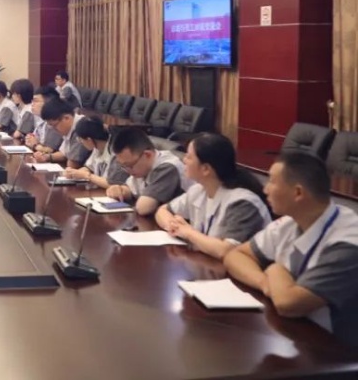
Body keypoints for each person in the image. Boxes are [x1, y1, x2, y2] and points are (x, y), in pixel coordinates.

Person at [224, 153, 358, 346]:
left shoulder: (348, 244)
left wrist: (275, 269)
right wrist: (265, 283)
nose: (265, 189)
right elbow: (235, 256)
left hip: (338, 352)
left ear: (298, 193)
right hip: (297, 337)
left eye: (272, 181)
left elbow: (289, 305)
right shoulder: (289, 222)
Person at [155, 133, 271, 259]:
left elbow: (226, 251)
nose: (184, 160)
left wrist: (188, 233)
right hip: (206, 263)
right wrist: (173, 226)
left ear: (206, 169)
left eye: (189, 157)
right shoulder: (198, 190)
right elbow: (162, 211)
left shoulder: (243, 202)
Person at [106, 126, 191, 216]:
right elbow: (130, 190)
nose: (128, 171)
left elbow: (143, 208)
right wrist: (119, 190)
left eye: (129, 165)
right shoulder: (141, 167)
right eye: (124, 166)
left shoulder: (167, 168)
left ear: (147, 155)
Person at [63, 117, 128, 188]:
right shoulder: (97, 147)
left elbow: (113, 184)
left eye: (80, 139)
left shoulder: (116, 150)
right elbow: (89, 168)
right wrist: (74, 173)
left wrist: (88, 176)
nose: (81, 142)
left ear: (89, 140)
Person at [34, 97, 91, 169]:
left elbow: (73, 164)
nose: (54, 130)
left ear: (66, 118)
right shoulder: (70, 128)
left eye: (54, 125)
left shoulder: (81, 128)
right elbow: (64, 154)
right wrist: (46, 157)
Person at [21, 86, 63, 153]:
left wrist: (35, 145)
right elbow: (33, 140)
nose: (32, 104)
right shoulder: (42, 121)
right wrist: (30, 139)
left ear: (49, 103)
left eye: (36, 101)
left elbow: (49, 150)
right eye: (32, 101)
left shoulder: (55, 121)